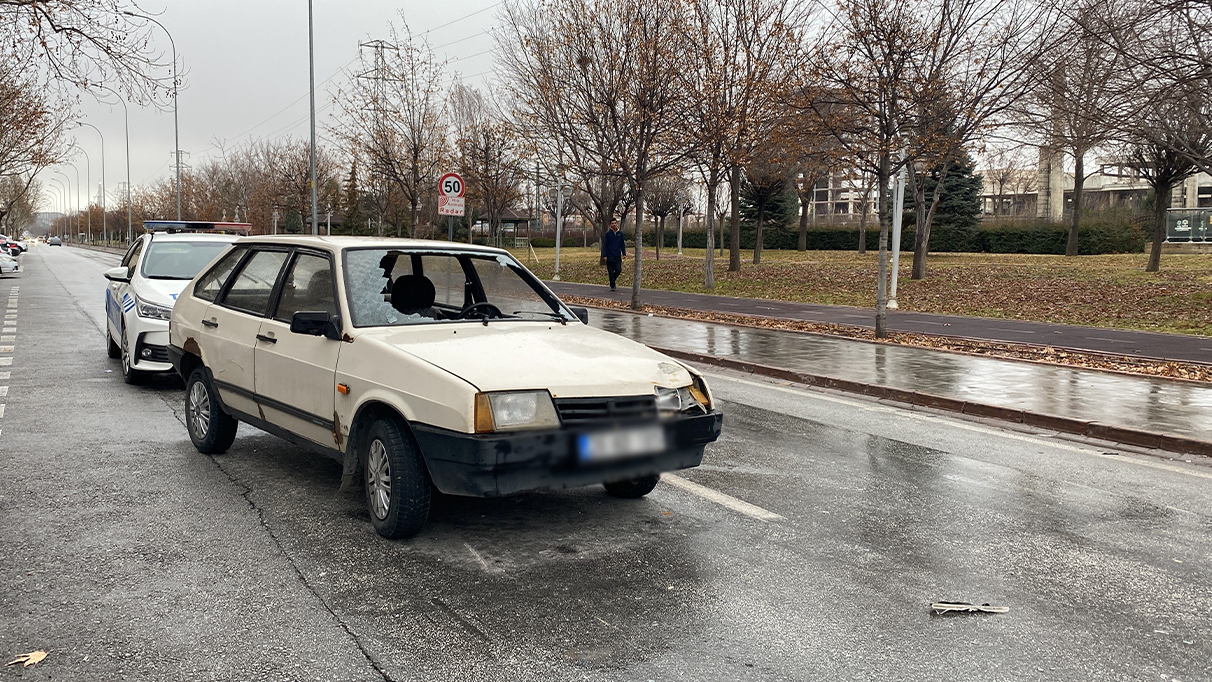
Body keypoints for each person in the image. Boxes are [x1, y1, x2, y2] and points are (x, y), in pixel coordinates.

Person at [600, 218, 626, 291]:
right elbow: (605, 245)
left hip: (617, 255)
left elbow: (622, 244)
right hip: (609, 256)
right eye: (612, 223)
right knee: (610, 271)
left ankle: (612, 280)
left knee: (618, 270)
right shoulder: (608, 234)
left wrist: (624, 254)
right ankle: (612, 285)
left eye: (615, 223)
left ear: (616, 223)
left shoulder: (620, 234)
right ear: (610, 225)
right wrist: (605, 255)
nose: (614, 225)